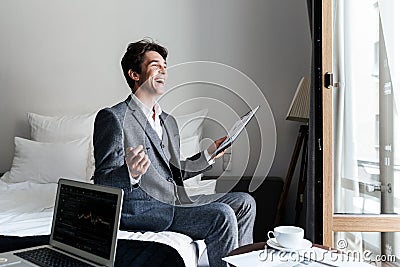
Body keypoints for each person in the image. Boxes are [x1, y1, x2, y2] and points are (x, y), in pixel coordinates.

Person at [93, 39, 256, 267]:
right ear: (134, 74)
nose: (163, 70)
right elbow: (102, 182)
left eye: (165, 66)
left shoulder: (168, 121)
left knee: (245, 202)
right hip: (143, 211)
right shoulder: (113, 118)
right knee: (222, 214)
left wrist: (208, 155)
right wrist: (130, 173)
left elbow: (173, 171)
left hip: (176, 202)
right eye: (154, 65)